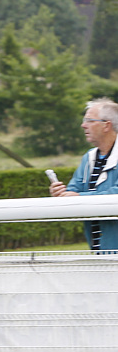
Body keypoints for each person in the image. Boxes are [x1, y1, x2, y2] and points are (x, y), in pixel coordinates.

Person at [49, 97, 118, 251]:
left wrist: (80, 198)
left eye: (89, 120)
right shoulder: (89, 157)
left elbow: (115, 194)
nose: (83, 125)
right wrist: (61, 193)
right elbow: (74, 189)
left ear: (106, 125)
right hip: (98, 248)